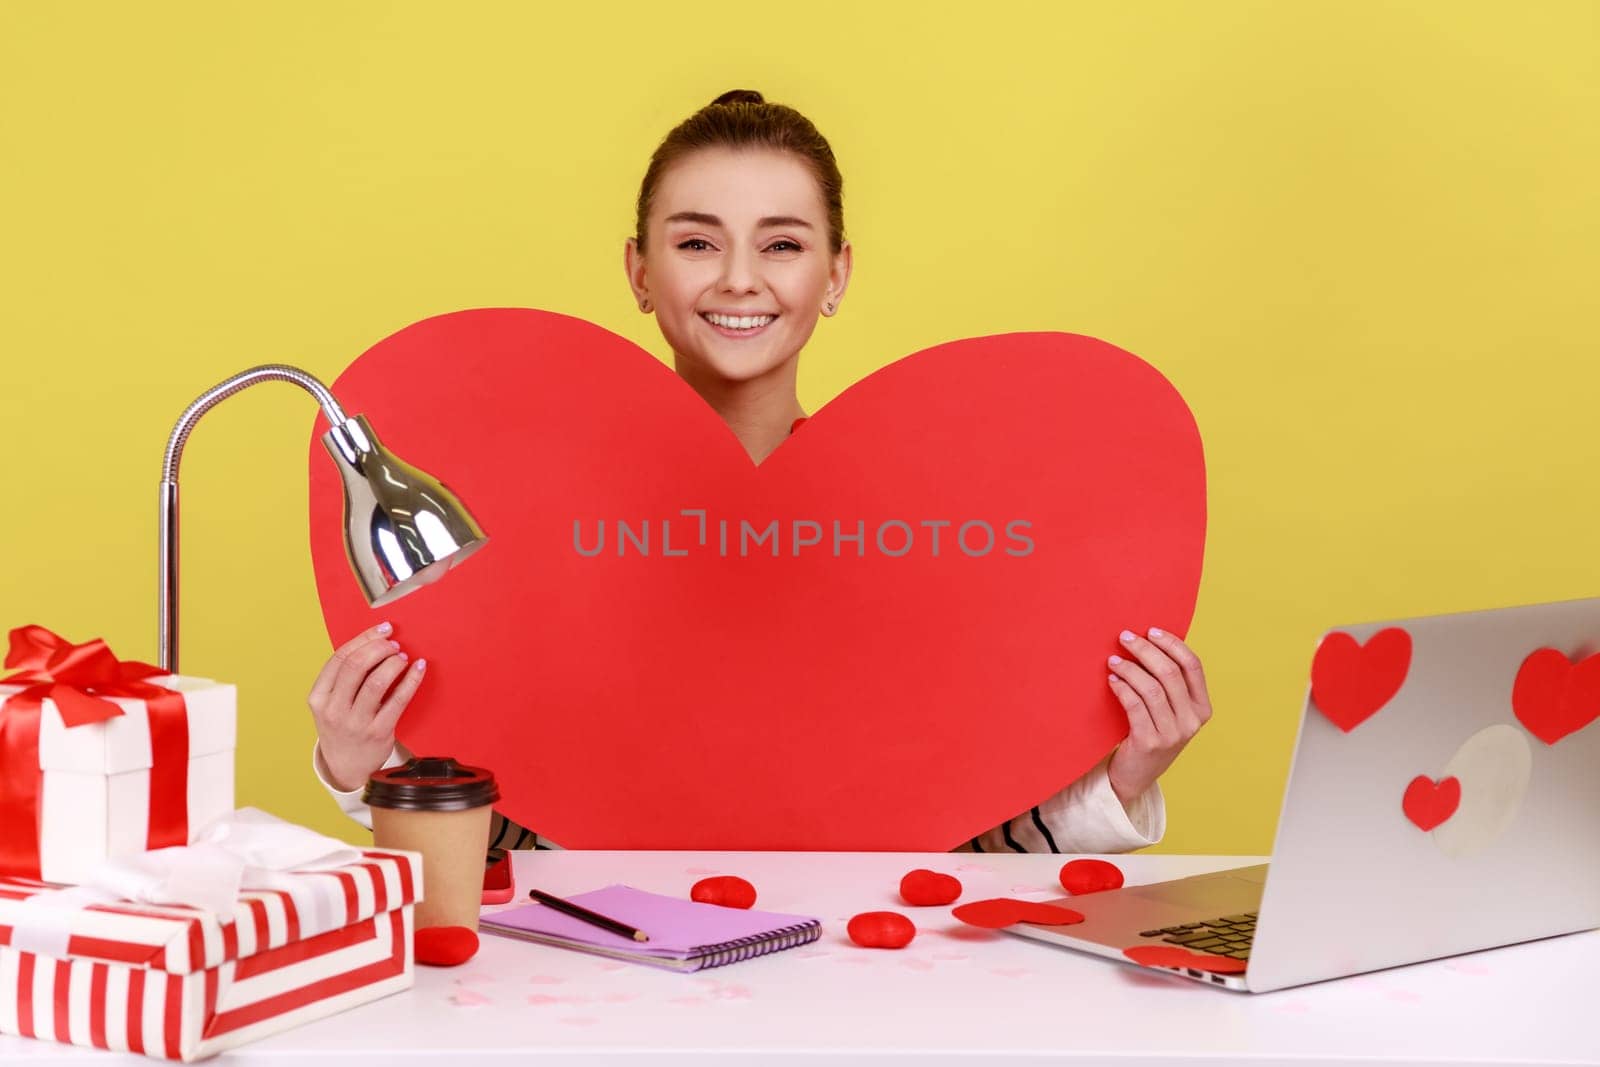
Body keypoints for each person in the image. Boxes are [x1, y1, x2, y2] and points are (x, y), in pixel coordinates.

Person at [308, 90, 1214, 854]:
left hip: (866, 984)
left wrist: (1123, 775)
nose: (740, 278)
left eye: (782, 244)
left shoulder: (926, 524)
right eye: (698, 242)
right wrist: (368, 764)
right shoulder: (502, 529)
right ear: (639, 271)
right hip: (606, 983)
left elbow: (958, 846)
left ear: (835, 274)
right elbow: (528, 849)